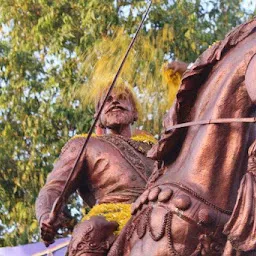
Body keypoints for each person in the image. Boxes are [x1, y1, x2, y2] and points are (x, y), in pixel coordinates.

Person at [35, 82, 156, 255]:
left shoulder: (155, 148)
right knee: (90, 231)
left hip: (161, 212)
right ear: (98, 116)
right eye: (108, 100)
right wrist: (45, 215)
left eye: (122, 98)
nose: (115, 102)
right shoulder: (84, 145)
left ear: (135, 112)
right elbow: (54, 187)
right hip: (110, 220)